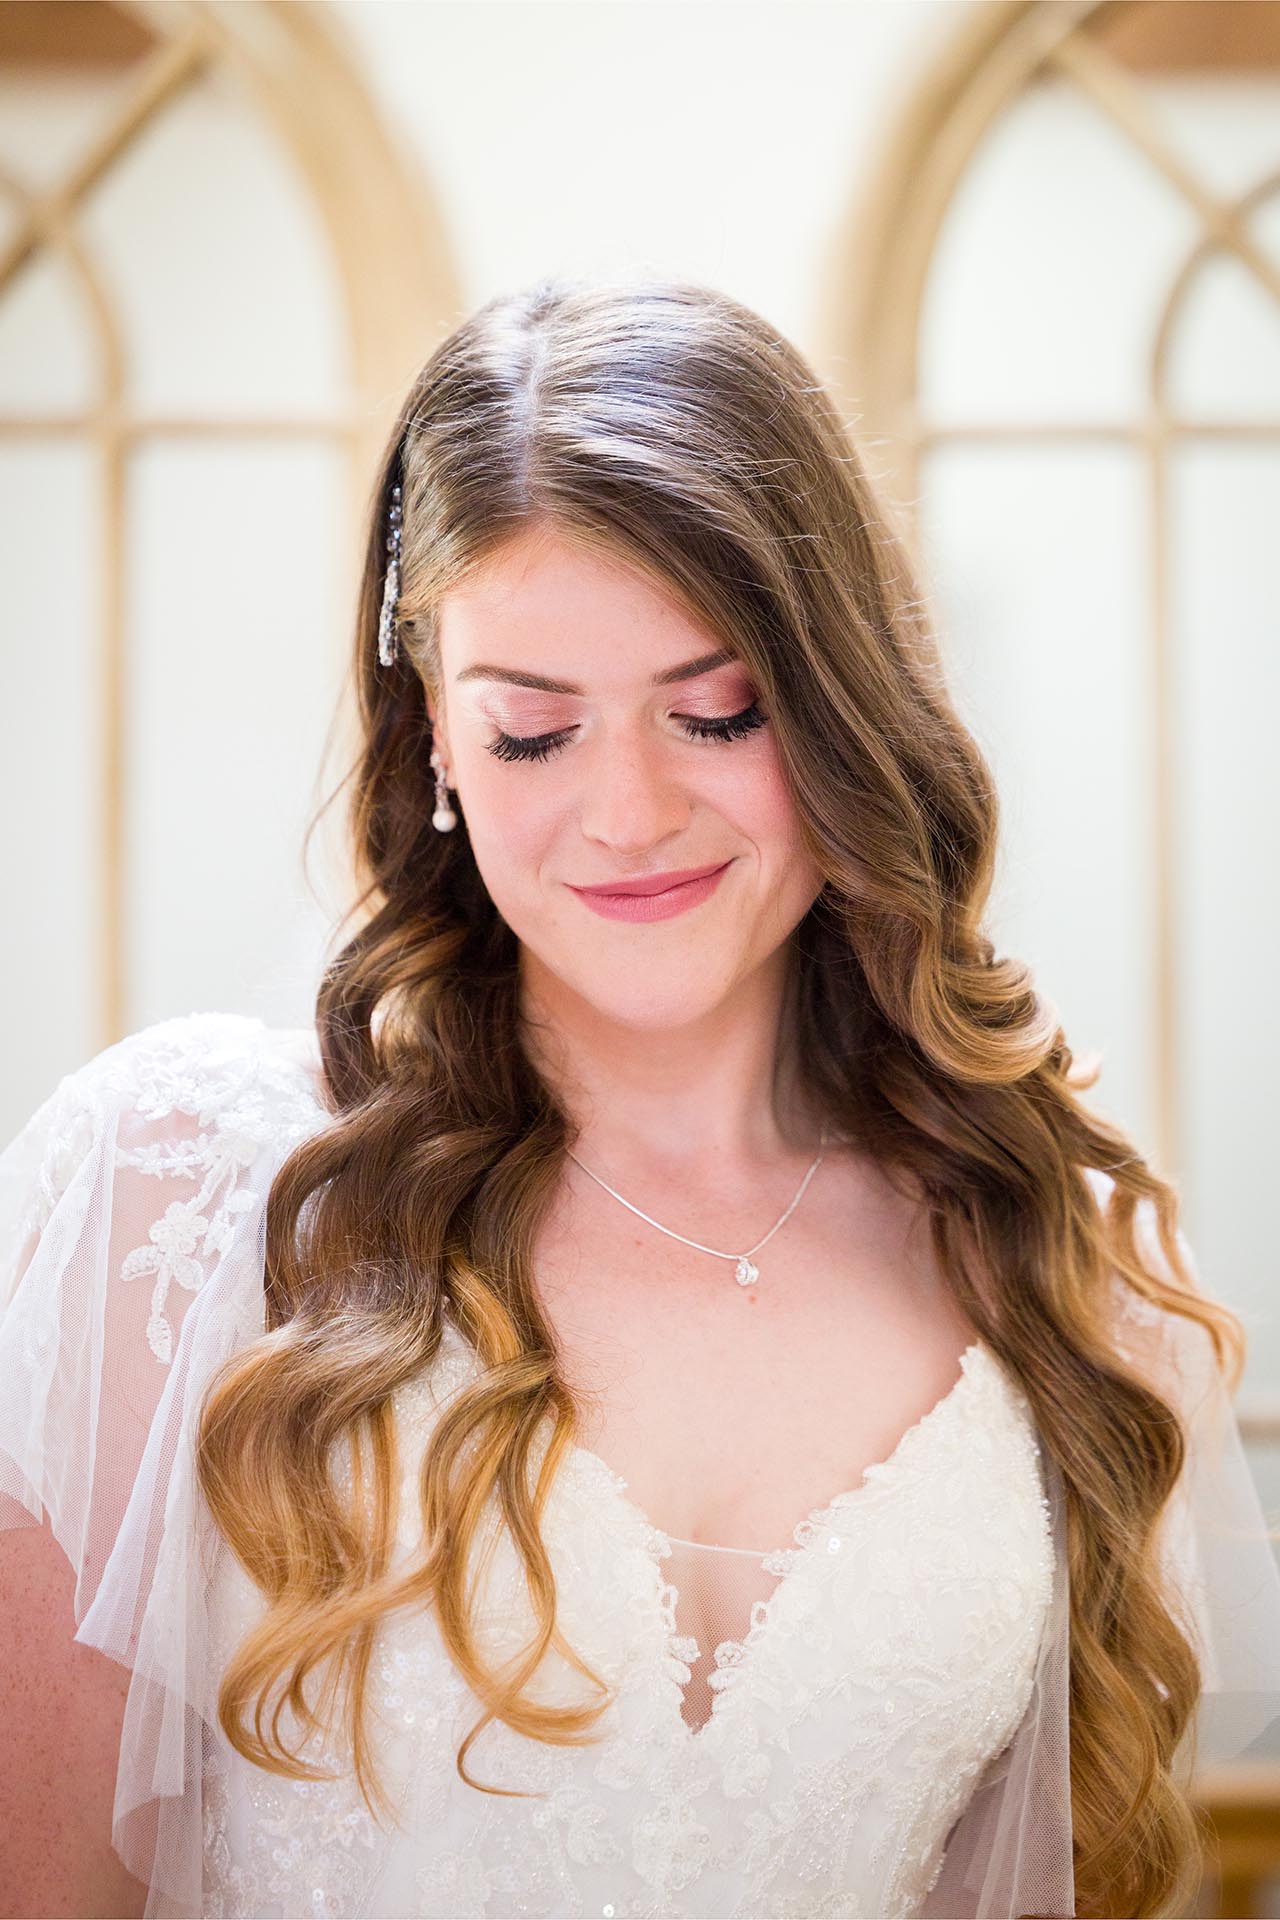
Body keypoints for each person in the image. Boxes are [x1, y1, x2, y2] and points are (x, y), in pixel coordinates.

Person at [2, 275, 1278, 1920]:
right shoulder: (172, 1196)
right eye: (533, 733)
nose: (629, 812)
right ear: (435, 739)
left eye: (714, 712)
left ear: (841, 708)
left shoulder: (1059, 1262)